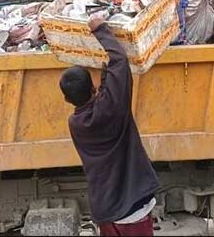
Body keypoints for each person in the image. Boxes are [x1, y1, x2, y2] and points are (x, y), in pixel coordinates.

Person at [59, 12, 159, 237]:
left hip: (105, 209)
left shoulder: (75, 124)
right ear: (93, 88)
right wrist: (100, 29)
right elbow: (120, 62)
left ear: (66, 99)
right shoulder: (111, 109)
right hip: (132, 205)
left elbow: (108, 94)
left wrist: (106, 78)